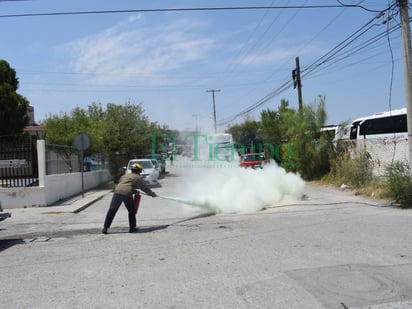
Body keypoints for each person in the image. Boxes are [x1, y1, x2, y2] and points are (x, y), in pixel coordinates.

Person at [102, 163, 157, 234]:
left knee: (112, 209)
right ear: (138, 171)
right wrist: (152, 194)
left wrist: (134, 191)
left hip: (117, 192)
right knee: (131, 211)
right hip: (127, 194)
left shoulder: (124, 176)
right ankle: (132, 228)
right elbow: (144, 188)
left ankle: (105, 227)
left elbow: (124, 185)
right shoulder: (137, 177)